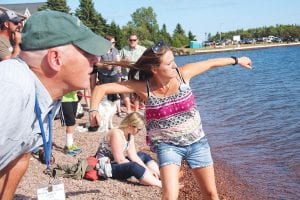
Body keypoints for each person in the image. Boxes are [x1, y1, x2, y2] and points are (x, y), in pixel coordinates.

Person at [89, 41, 252, 200]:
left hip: (197, 143)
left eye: (174, 61)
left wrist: (237, 60)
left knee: (211, 195)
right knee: (169, 196)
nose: (174, 65)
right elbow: (101, 88)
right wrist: (94, 109)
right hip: (168, 147)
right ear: (154, 69)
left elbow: (210, 63)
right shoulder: (143, 88)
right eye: (169, 63)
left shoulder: (183, 74)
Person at [0, 10, 111, 199]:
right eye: (87, 52)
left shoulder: (45, 92)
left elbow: (18, 155)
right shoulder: (10, 91)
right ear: (55, 59)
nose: (96, 60)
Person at [95, 112, 161, 187]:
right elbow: (119, 160)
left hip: (114, 162)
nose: (138, 132)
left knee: (143, 155)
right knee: (134, 166)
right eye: (138, 129)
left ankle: (159, 175)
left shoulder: (129, 134)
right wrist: (145, 170)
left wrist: (148, 170)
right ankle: (160, 184)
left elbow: (133, 155)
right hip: (105, 166)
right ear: (130, 125)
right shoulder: (116, 133)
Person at [91, 35, 124, 117]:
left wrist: (118, 65)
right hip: (104, 74)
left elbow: (118, 62)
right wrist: (105, 65)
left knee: (115, 92)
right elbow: (96, 63)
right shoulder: (100, 51)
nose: (113, 44)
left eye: (114, 42)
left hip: (114, 74)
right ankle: (102, 110)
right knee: (105, 92)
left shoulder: (115, 50)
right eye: (112, 42)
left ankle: (118, 111)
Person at [119, 33, 146, 113]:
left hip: (137, 75)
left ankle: (136, 110)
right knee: (125, 92)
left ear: (137, 40)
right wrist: (124, 61)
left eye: (134, 40)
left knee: (137, 93)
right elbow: (118, 60)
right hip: (125, 75)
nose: (132, 41)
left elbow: (148, 60)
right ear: (128, 40)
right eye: (131, 40)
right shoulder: (124, 50)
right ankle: (128, 110)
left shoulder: (143, 49)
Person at [61, 91, 82, 155]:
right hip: (65, 100)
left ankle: (70, 144)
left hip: (74, 99)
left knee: (73, 122)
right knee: (70, 122)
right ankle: (68, 146)